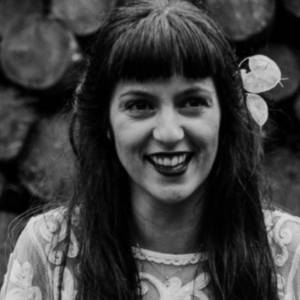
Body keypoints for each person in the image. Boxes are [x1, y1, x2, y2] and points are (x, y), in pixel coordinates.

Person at [1, 0, 300, 299]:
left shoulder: (291, 254)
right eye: (140, 105)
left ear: (226, 117)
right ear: (106, 122)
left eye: (192, 102)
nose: (169, 133)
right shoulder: (50, 249)